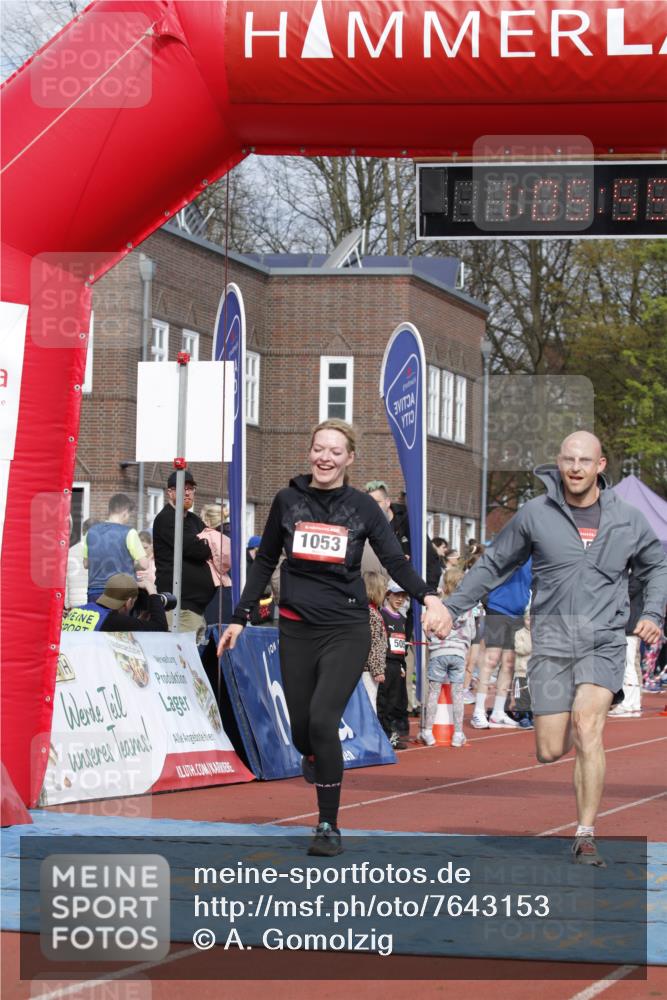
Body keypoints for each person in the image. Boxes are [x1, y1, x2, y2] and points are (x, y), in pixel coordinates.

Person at [217, 419, 450, 858]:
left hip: (345, 629)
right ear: (309, 452)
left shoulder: (362, 508)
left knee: (324, 721)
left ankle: (327, 823)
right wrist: (239, 617)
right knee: (304, 732)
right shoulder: (287, 500)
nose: (325, 457)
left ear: (349, 459)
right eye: (318, 448)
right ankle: (311, 754)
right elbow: (266, 561)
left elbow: (395, 562)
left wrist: (429, 598)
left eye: (335, 451)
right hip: (295, 628)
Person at [438, 431, 667, 867]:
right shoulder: (535, 514)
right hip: (553, 640)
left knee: (588, 726)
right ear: (559, 464)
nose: (576, 468)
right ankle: (563, 743)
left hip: (603, 639)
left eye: (585, 460)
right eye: (569, 460)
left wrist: (652, 613)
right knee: (548, 749)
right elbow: (493, 564)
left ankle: (585, 834)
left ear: (601, 466)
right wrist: (453, 607)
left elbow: (657, 566)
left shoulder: (628, 518)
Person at [153, 470, 216, 641]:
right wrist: (206, 545)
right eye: (182, 488)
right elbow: (197, 549)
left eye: (191, 488)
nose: (187, 492)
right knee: (183, 660)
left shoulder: (194, 520)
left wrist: (208, 544)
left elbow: (214, 541)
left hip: (194, 609)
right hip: (180, 609)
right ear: (170, 492)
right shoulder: (167, 519)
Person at [470, 559, 532, 730]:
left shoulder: (535, 553)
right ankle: (478, 711)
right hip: (498, 607)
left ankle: (498, 712)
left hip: (518, 612)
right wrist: (485, 598)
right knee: (491, 659)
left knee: (509, 663)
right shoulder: (511, 548)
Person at [421, 566, 475, 748]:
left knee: (433, 692)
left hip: (439, 652)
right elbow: (471, 632)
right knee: (458, 693)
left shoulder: (439, 606)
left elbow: (428, 627)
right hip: (458, 653)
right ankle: (458, 734)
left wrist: (433, 642)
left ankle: (428, 731)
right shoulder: (467, 608)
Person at [84, 494, 147, 601]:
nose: (128, 518)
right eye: (129, 515)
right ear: (125, 512)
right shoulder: (129, 533)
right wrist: (133, 564)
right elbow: (144, 564)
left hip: (95, 591)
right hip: (121, 592)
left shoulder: (91, 532)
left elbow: (86, 564)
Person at [62, 573, 169, 632]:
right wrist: (152, 591)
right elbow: (160, 627)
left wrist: (140, 621)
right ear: (129, 602)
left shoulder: (78, 610)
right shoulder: (112, 620)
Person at [377, 580, 410, 749]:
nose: (400, 599)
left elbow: (402, 645)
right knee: (383, 702)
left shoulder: (403, 619)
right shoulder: (381, 615)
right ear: (388, 594)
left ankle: (392, 734)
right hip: (385, 664)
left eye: (403, 596)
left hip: (397, 666)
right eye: (397, 595)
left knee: (395, 702)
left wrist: (402, 665)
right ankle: (384, 735)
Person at [199, 503, 232, 625]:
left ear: (207, 521)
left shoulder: (204, 538)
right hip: (229, 588)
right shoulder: (234, 537)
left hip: (210, 589)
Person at [361, 570, 388, 712]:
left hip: (367, 667)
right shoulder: (371, 614)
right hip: (368, 669)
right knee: (370, 700)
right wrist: (377, 670)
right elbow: (373, 644)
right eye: (383, 589)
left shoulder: (370, 612)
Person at [65, 517, 97, 610]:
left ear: (83, 531)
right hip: (94, 603)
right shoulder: (100, 550)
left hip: (74, 604)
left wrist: (67, 604)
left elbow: (65, 580)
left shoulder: (70, 551)